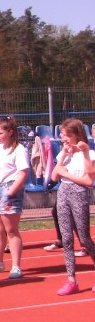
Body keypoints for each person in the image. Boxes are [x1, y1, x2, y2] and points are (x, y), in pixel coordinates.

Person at [0, 116, 30, 279]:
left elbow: (23, 174)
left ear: (10, 132)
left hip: (10, 189)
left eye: (0, 133)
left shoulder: (19, 150)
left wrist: (10, 193)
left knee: (11, 230)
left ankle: (16, 266)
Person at [50, 118, 95, 295]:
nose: (64, 138)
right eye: (62, 135)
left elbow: (89, 180)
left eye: (67, 135)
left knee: (84, 238)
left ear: (76, 134)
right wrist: (63, 159)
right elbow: (54, 177)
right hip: (63, 193)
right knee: (67, 239)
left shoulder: (90, 154)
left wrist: (67, 172)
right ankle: (71, 280)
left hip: (79, 193)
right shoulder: (63, 153)